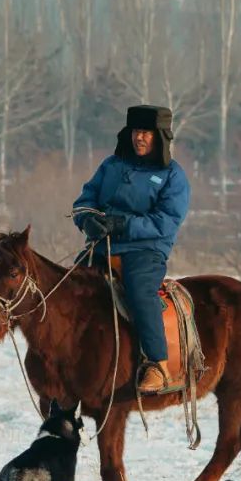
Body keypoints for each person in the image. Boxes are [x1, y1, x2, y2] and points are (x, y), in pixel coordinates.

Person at [72, 105, 191, 394]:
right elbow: (85, 200)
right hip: (102, 247)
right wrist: (87, 220)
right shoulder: (111, 165)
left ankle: (157, 365)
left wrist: (122, 224)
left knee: (139, 291)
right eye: (136, 131)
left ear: (160, 137)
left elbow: (165, 222)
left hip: (145, 250)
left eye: (146, 133)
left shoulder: (172, 176)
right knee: (70, 287)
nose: (140, 138)